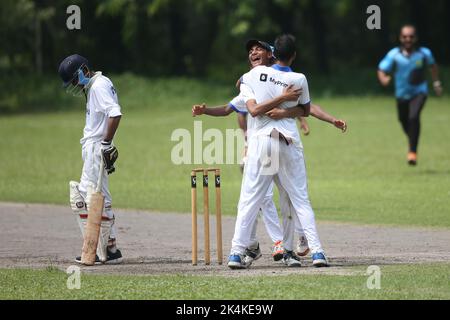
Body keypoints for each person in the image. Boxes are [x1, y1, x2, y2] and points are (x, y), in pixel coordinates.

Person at [228, 34, 328, 269]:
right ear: (293, 55)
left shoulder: (252, 75)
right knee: (298, 200)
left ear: (272, 54)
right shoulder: (299, 78)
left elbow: (241, 85)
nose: (254, 53)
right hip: (288, 142)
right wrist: (285, 109)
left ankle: (236, 252)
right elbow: (305, 110)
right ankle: (315, 252)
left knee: (249, 200)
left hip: (262, 142)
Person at [58, 54, 123, 264]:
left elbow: (115, 113)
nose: (76, 85)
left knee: (85, 197)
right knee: (98, 196)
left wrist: (106, 144)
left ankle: (98, 249)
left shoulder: (98, 86)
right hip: (93, 147)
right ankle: (109, 249)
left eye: (75, 79)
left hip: (97, 147)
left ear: (84, 70)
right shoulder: (96, 85)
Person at [378, 24, 443, 166]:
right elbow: (381, 69)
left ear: (416, 38)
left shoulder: (424, 53)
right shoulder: (394, 54)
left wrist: (436, 83)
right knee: (403, 120)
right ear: (400, 38)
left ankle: (412, 152)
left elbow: (433, 66)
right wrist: (383, 79)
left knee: (413, 117)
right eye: (405, 36)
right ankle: (413, 139)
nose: (408, 39)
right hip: (401, 94)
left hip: (419, 92)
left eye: (411, 36)